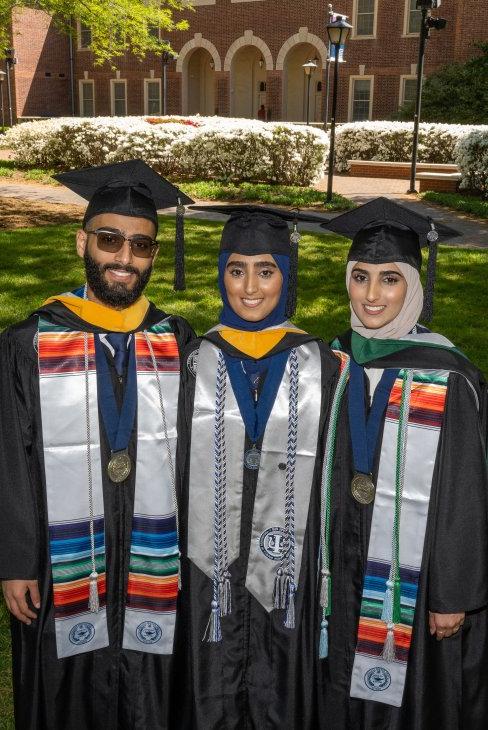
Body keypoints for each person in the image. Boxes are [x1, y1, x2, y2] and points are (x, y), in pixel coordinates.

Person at [0, 160, 195, 730]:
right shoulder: (27, 342)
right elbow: (10, 459)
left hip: (151, 557)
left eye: (141, 245)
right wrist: (15, 560)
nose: (124, 258)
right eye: (110, 239)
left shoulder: (176, 340)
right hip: (58, 564)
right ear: (82, 240)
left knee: (148, 690)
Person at [318, 197, 488, 729]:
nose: (372, 295)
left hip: (414, 586)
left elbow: (465, 493)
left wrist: (453, 593)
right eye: (360, 276)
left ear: (413, 286)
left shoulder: (448, 375)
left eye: (390, 279)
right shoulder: (331, 362)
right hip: (339, 570)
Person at [170, 205, 339, 729]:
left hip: (285, 568)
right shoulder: (191, 360)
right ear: (220, 275)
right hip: (208, 570)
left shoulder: (325, 366)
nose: (249, 287)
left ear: (285, 280)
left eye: (265, 271)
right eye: (235, 269)